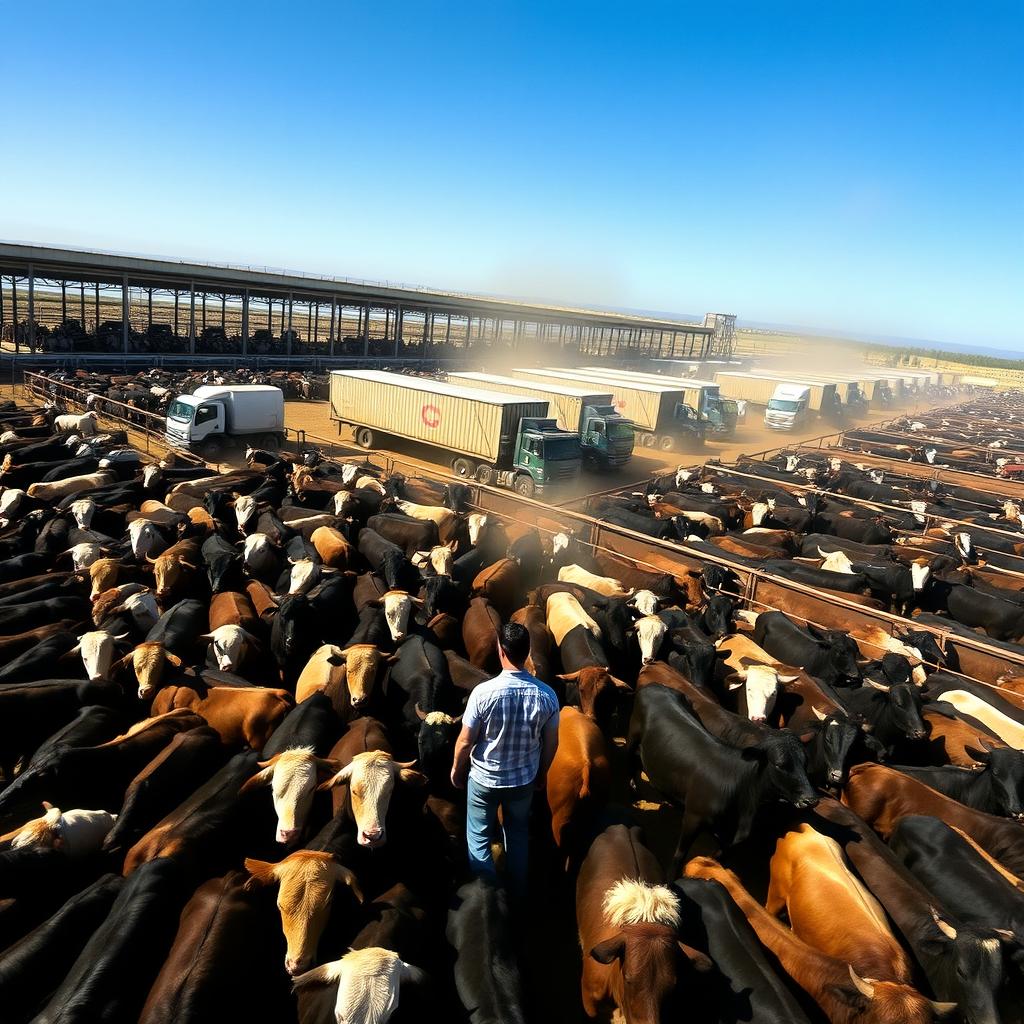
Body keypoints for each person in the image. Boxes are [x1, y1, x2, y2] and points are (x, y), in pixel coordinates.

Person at [450, 621, 559, 898]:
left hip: (484, 779)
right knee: (518, 834)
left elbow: (465, 741)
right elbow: (551, 742)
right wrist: (542, 773)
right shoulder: (547, 695)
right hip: (523, 780)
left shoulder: (482, 693)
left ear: (500, 649)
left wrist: (456, 770)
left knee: (478, 837)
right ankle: (518, 893)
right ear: (528, 650)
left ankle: (487, 895)